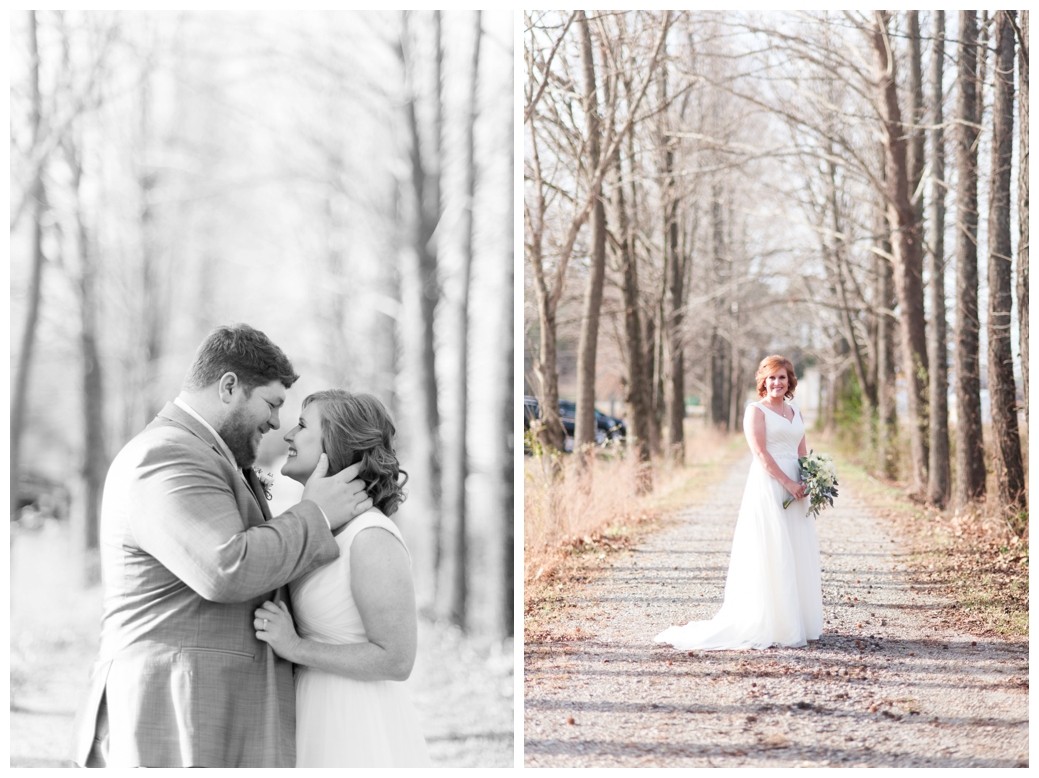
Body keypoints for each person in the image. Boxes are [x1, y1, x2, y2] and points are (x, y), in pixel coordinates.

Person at [70, 324, 373, 768]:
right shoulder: (166, 455)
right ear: (229, 386)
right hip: (169, 718)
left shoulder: (206, 455)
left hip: (204, 715)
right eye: (271, 404)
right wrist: (318, 514)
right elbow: (225, 567)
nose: (275, 423)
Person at [253, 390, 431, 767]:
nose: (287, 435)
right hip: (308, 713)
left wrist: (295, 647)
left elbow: (397, 660)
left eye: (302, 426)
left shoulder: (370, 537)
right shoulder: (318, 528)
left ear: (333, 446)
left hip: (352, 723)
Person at [655, 354, 822, 650]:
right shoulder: (755, 411)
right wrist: (788, 483)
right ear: (763, 381)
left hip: (797, 488)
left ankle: (796, 620)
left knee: (795, 548)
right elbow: (760, 454)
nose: (777, 383)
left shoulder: (795, 410)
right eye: (771, 377)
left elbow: (802, 450)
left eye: (782, 377)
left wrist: (808, 480)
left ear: (789, 380)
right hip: (771, 485)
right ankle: (772, 622)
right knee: (773, 547)